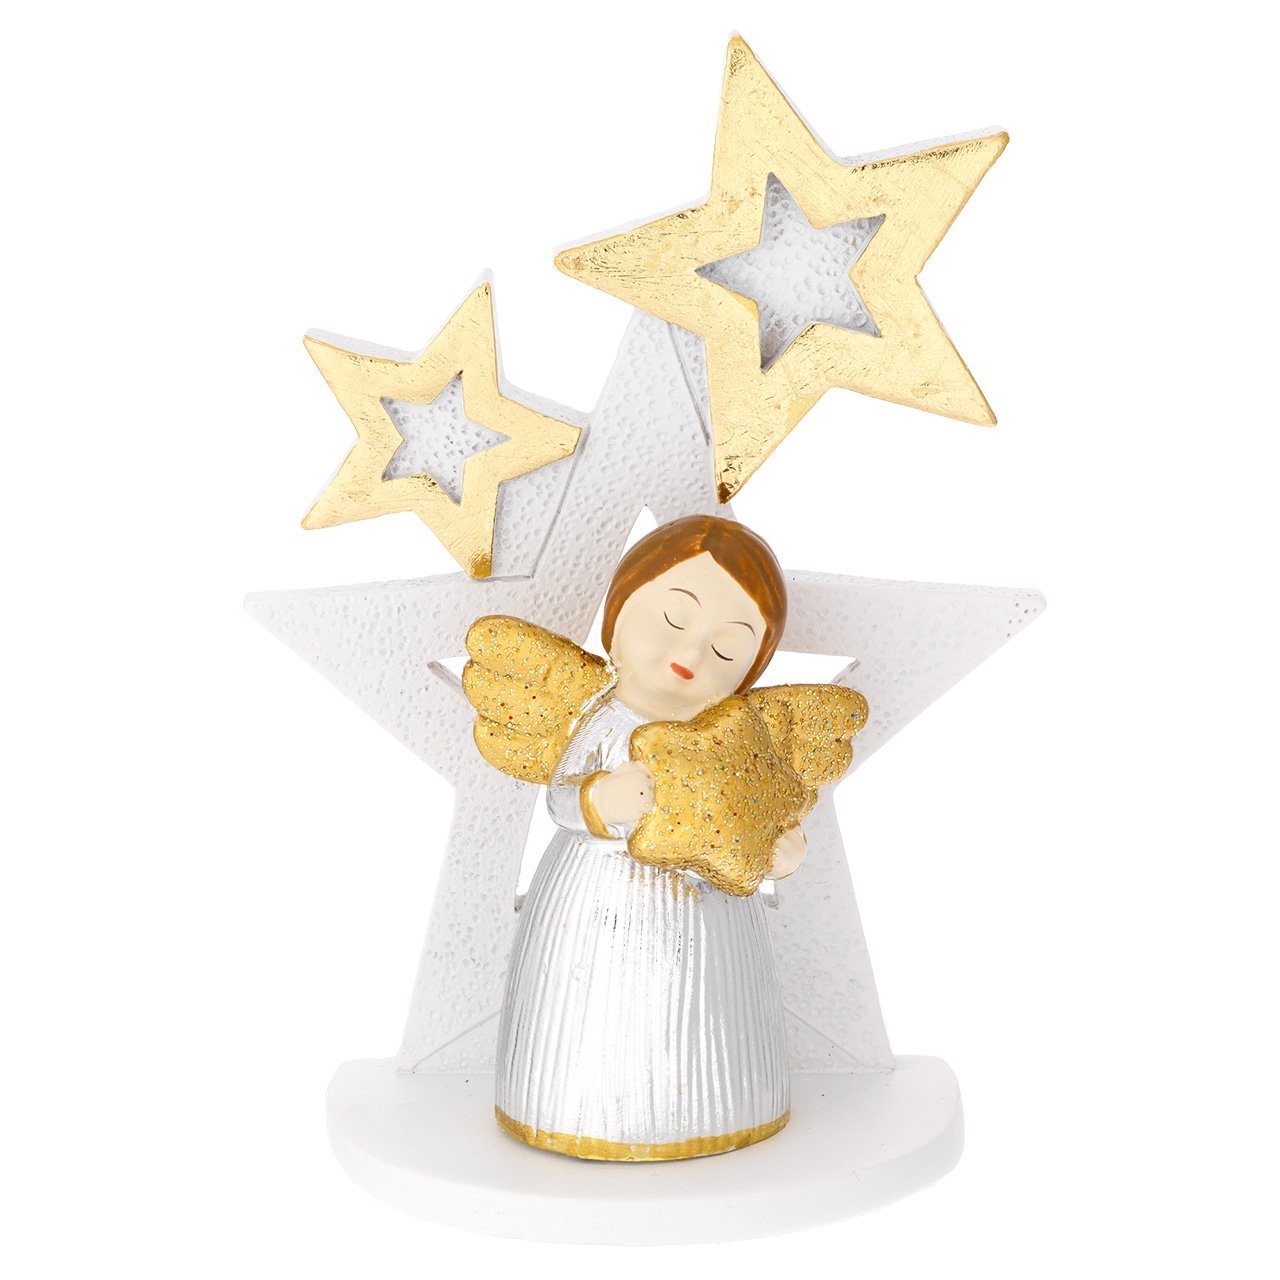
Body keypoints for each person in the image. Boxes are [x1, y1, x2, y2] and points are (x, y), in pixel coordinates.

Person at [494, 516, 806, 1160]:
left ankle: (725, 1101)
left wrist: (778, 847)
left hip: (710, 912)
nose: (692, 654)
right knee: (591, 1002)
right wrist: (598, 802)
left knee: (710, 1004)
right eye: (673, 619)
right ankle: (570, 1103)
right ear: (618, 614)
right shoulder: (604, 718)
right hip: (595, 896)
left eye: (727, 649)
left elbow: (761, 806)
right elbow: (559, 796)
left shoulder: (736, 737)